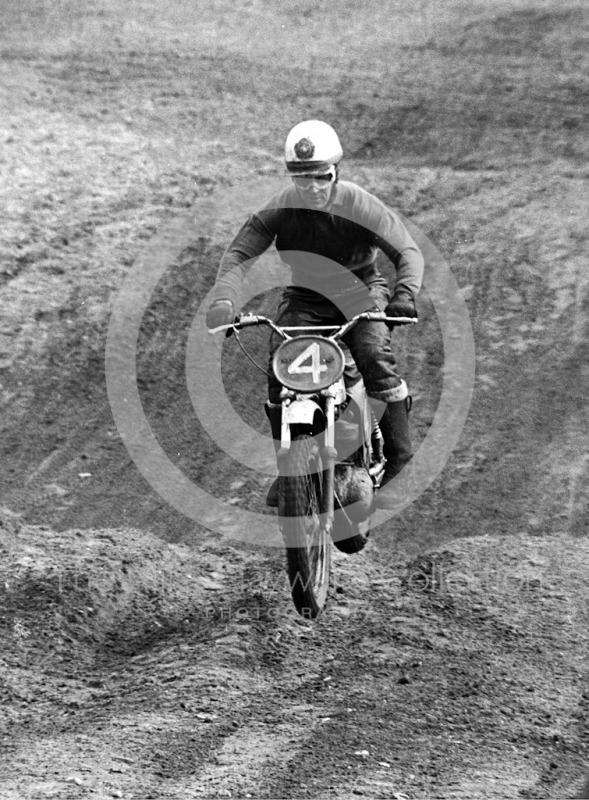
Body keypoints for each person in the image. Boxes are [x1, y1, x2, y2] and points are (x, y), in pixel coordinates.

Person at [206, 120, 424, 509]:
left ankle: (401, 460)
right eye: (301, 179)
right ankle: (290, 469)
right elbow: (241, 251)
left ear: (335, 172)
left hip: (361, 293)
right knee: (281, 369)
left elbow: (406, 251)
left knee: (374, 356)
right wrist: (224, 300)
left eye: (321, 178)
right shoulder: (281, 207)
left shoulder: (358, 203)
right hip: (306, 297)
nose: (312, 188)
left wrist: (404, 295)